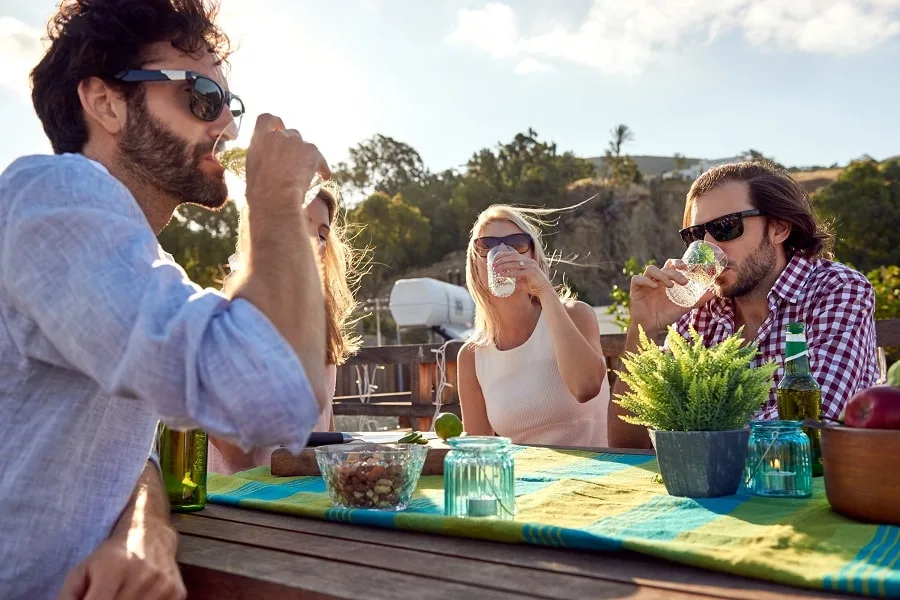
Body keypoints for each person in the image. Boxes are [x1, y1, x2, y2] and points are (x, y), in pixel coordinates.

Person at [0, 1, 331, 597]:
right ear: (106, 103)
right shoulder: (52, 197)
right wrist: (276, 198)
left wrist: (144, 527)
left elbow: (136, 450)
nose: (226, 126)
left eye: (229, 106)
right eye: (202, 96)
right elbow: (270, 401)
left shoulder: (138, 262)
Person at [609, 161, 879, 449]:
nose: (709, 248)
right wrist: (643, 328)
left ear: (779, 228)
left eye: (725, 227)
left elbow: (809, 425)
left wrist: (689, 437)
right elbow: (628, 443)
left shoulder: (836, 289)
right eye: (696, 236)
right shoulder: (703, 312)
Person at [209, 179, 364, 474]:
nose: (315, 241)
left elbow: (324, 420)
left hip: (304, 487)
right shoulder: (240, 309)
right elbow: (229, 444)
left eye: (322, 233)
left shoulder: (319, 315)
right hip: (247, 496)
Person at [456, 204, 611, 447]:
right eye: (487, 245)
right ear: (475, 264)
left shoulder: (575, 315)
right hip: (526, 482)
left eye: (517, 243)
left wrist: (545, 292)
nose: (503, 252)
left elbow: (586, 387)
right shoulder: (472, 355)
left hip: (595, 476)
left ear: (533, 256)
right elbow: (479, 450)